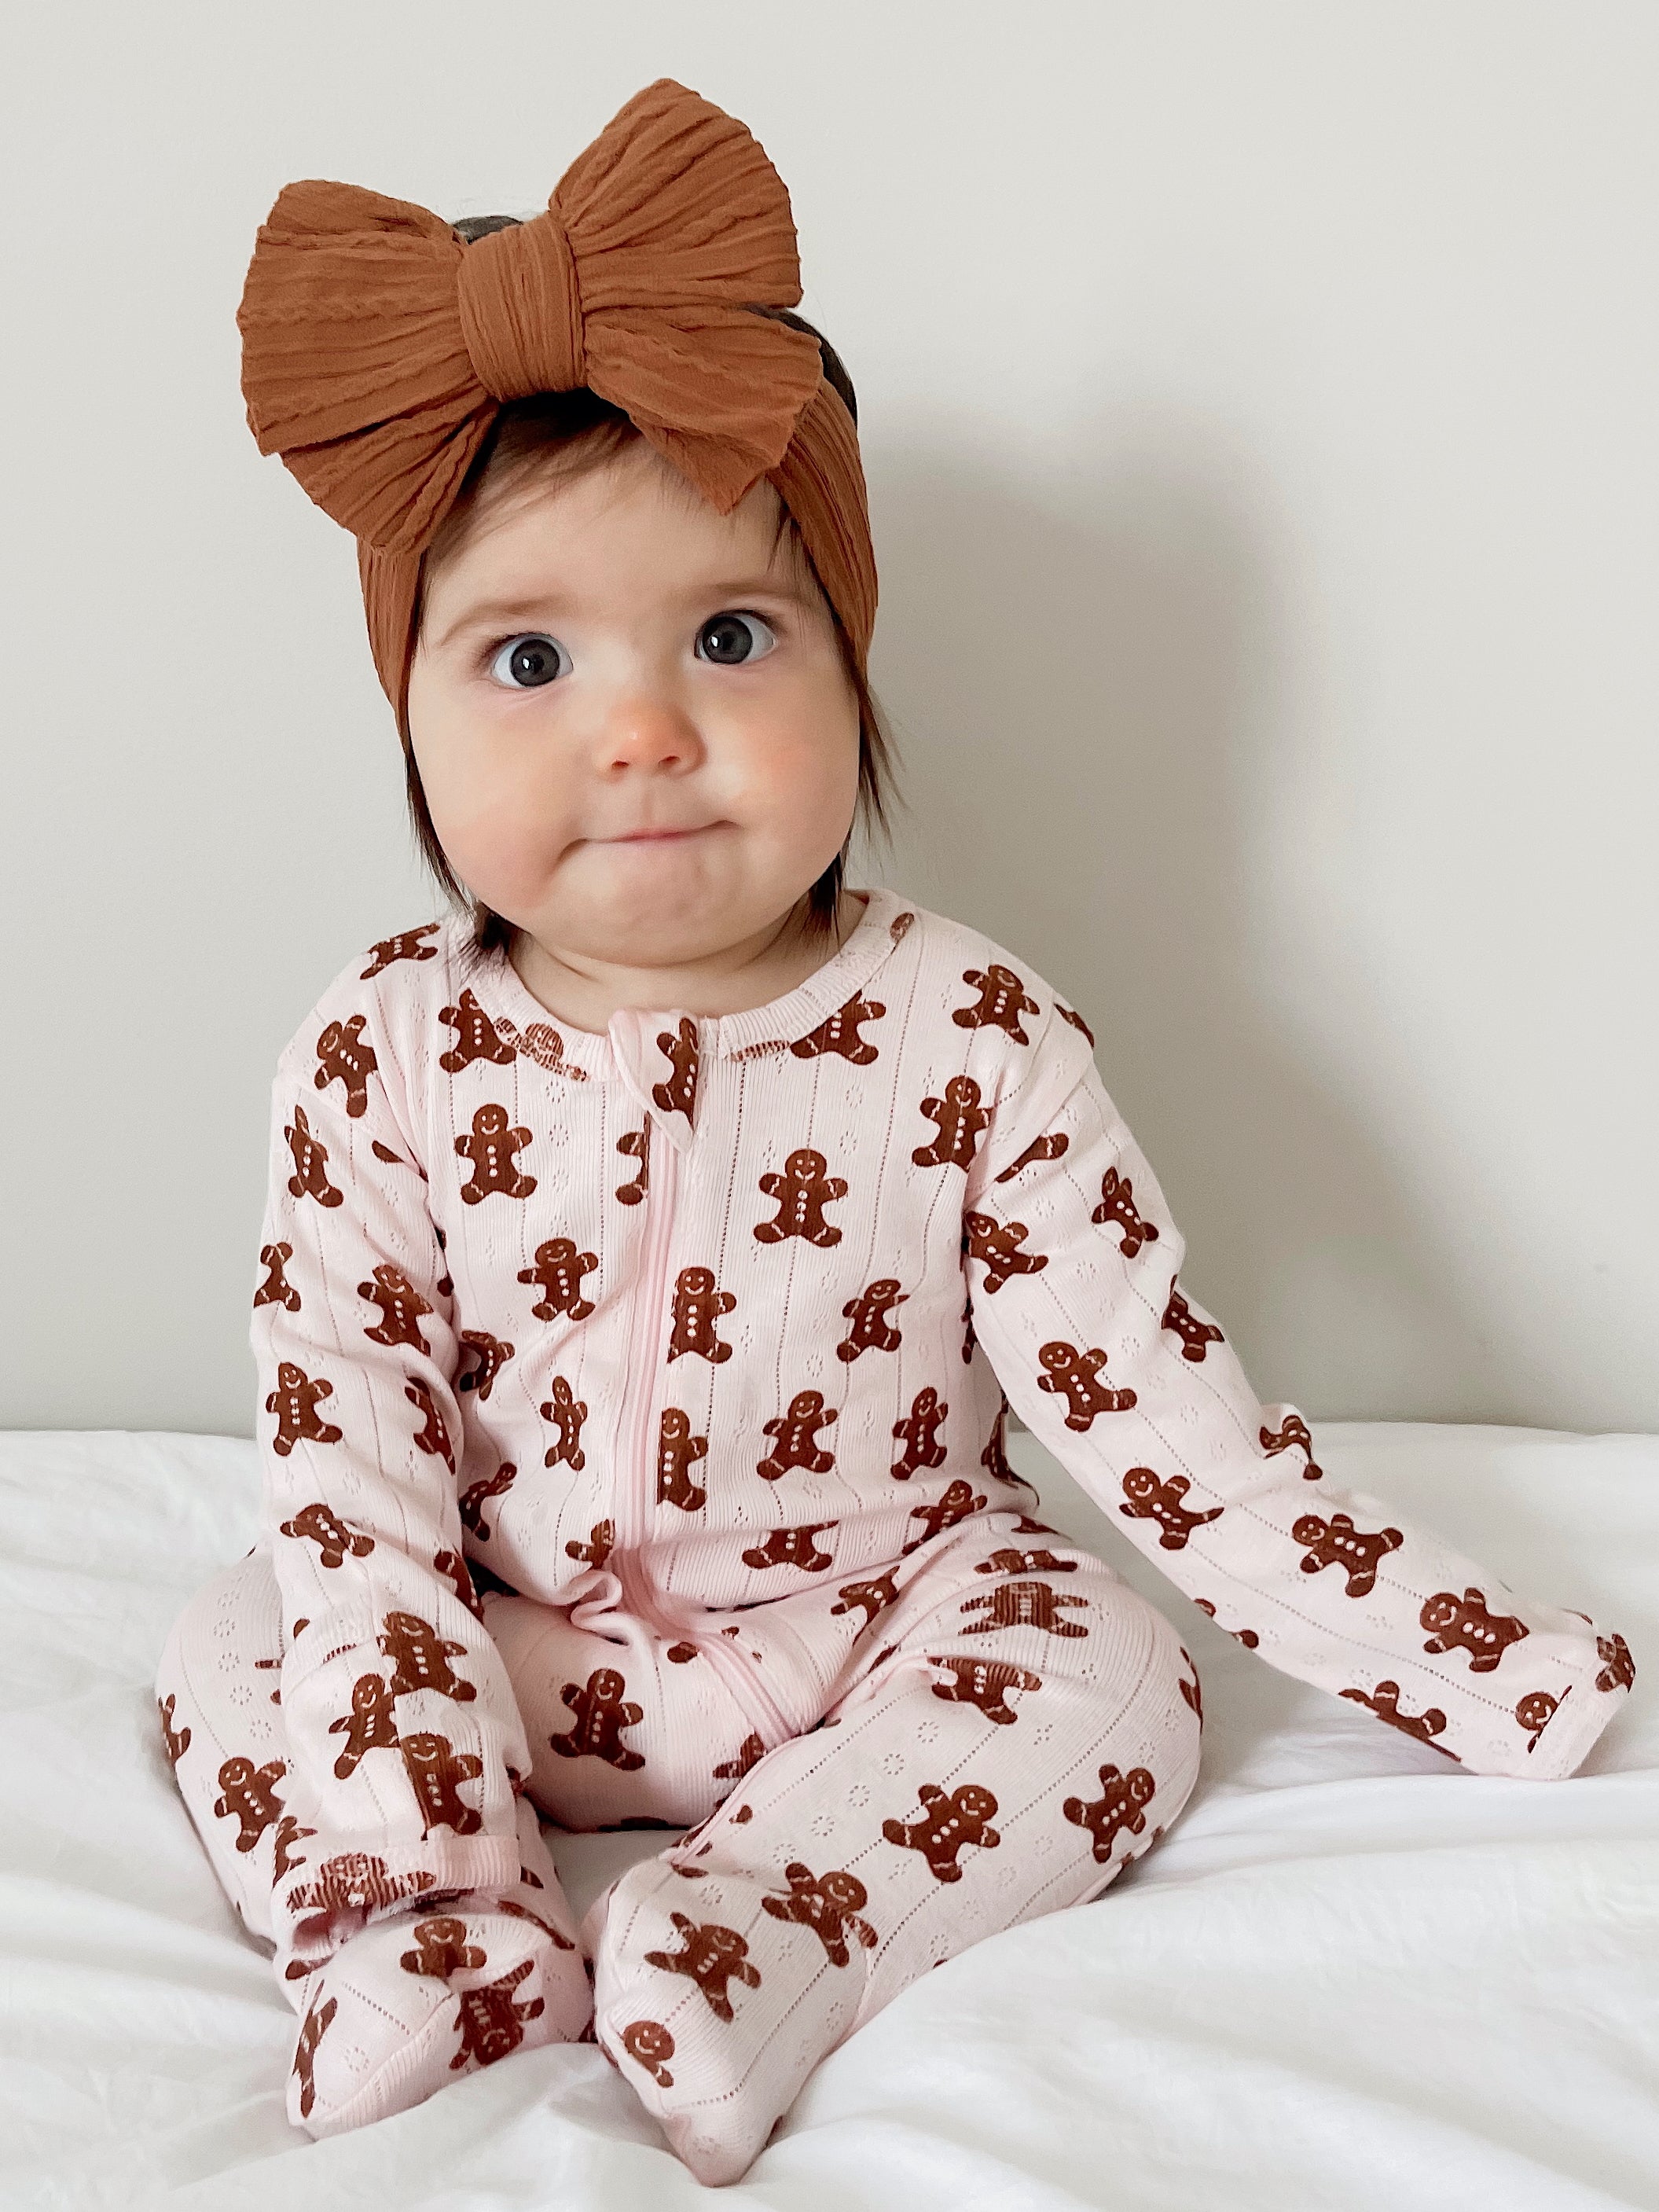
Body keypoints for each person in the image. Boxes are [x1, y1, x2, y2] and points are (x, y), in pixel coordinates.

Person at [153, 78, 1634, 2187]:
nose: (643, 725)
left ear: (856, 672)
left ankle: (761, 1940)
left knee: (1119, 1670)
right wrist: (410, 1795)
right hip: (517, 1649)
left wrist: (1475, 1663)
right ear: (407, 710)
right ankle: (429, 1936)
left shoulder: (970, 1038)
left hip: (877, 1639)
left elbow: (1171, 1435)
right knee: (253, 1620)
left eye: (732, 636)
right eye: (527, 656)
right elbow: (357, 1465)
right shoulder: (380, 1050)